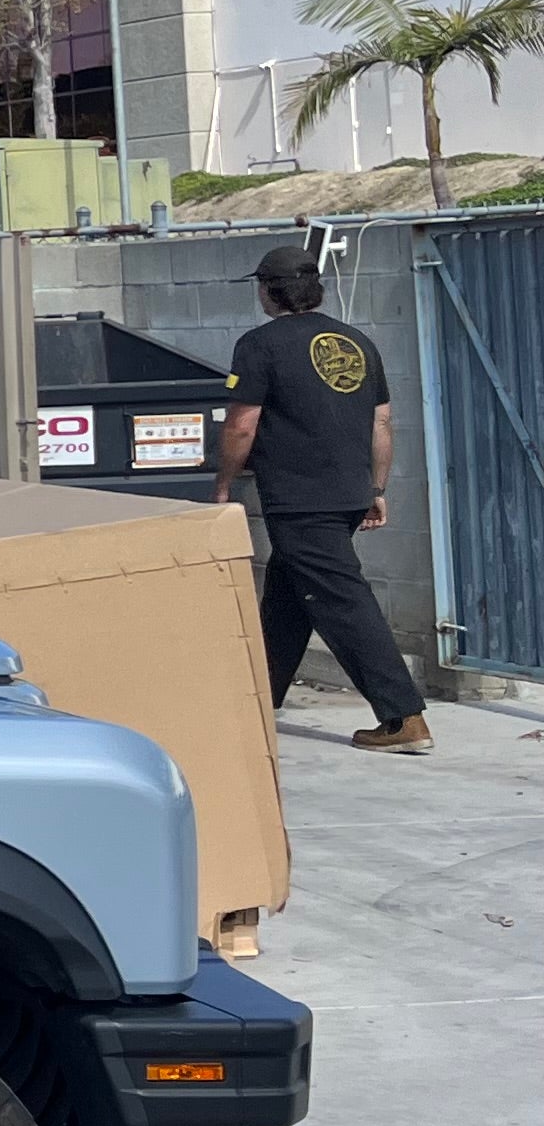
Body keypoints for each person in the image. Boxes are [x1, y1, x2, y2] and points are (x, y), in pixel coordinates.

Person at [212, 243, 430, 751]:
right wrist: (376, 488)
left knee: (343, 601)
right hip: (349, 492)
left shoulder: (259, 345)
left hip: (299, 498)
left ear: (268, 291)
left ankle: (404, 718)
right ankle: (258, 699)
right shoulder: (356, 342)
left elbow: (242, 424)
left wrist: (224, 484)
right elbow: (381, 422)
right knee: (290, 597)